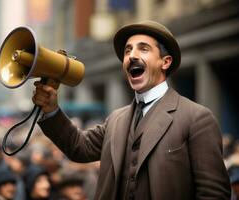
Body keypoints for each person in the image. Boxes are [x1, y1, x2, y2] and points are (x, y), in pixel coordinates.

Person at [32, 21, 231, 199]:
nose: (132, 56)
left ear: (165, 62)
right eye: (128, 51)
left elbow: (213, 193)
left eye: (143, 49)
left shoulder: (197, 118)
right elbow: (79, 147)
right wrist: (51, 109)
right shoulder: (116, 119)